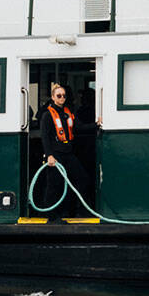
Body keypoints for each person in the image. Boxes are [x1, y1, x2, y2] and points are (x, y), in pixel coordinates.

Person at [38, 83, 102, 219]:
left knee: (82, 179)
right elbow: (45, 137)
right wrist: (49, 155)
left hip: (68, 153)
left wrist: (96, 124)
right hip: (55, 154)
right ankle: (51, 215)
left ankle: (81, 211)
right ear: (53, 97)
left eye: (64, 96)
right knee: (54, 184)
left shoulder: (68, 112)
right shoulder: (47, 115)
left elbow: (79, 127)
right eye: (59, 96)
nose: (62, 98)